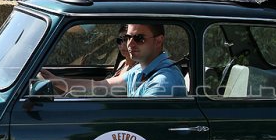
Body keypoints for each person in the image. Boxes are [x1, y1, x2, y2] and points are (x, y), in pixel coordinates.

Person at [41, 23, 187, 98]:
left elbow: (140, 121)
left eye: (139, 38)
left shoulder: (163, 81)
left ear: (159, 41)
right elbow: (101, 86)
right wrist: (56, 81)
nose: (130, 44)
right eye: (127, 38)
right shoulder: (140, 69)